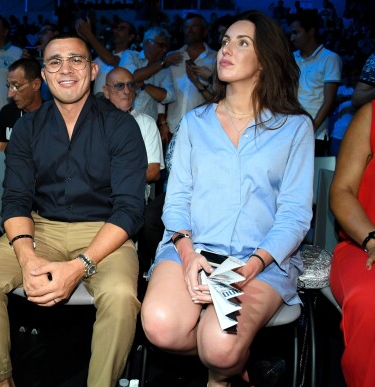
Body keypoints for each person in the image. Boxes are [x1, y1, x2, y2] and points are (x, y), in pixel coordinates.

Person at [141, 11, 314, 387]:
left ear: (265, 60)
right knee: (160, 327)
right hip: (194, 247)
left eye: (242, 43)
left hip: (260, 259)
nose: (226, 50)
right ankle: (238, 361)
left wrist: (252, 266)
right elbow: (177, 199)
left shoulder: (294, 127)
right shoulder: (195, 123)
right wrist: (187, 255)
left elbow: (296, 214)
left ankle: (223, 369)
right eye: (224, 42)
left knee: (219, 346)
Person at [0, 34, 147, 387]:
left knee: (122, 296)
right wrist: (28, 258)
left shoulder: (121, 126)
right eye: (54, 61)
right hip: (40, 228)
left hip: (105, 233)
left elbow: (129, 209)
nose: (66, 69)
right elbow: (15, 200)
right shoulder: (28, 129)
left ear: (93, 70)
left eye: (76, 60)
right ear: (44, 75)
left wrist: (80, 267)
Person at [329, 100, 375, 387]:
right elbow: (342, 191)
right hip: (363, 244)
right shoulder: (371, 115)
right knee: (371, 301)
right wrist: (372, 239)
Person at [103, 66, 163, 202]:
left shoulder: (146, 123)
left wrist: (109, 181)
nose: (127, 91)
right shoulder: (95, 121)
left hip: (131, 196)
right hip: (96, 200)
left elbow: (153, 171)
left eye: (131, 85)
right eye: (119, 86)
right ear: (106, 92)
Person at [290, 9, 342, 156]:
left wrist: (310, 128)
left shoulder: (330, 58)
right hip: (290, 129)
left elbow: (329, 101)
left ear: (311, 31)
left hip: (315, 135)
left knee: (309, 178)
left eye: (296, 32)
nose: (292, 38)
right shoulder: (292, 58)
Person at [164, 13, 217, 142]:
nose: (189, 30)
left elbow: (220, 95)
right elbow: (163, 88)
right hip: (173, 127)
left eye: (194, 26)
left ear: (204, 31)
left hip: (202, 128)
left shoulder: (216, 58)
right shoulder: (173, 57)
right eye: (187, 27)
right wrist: (162, 123)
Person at [119, 26, 176, 122]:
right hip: (125, 122)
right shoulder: (130, 55)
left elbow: (169, 96)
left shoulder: (164, 69)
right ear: (148, 42)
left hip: (148, 127)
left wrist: (144, 85)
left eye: (167, 47)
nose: (165, 50)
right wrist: (162, 63)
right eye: (161, 45)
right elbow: (131, 77)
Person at [0, 57, 43, 151]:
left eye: (16, 86)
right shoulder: (7, 112)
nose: (10, 94)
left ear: (36, 85)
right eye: (9, 86)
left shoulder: (54, 116)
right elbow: (0, 148)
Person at [76, 17, 136, 96]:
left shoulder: (131, 56)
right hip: (97, 106)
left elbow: (111, 60)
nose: (116, 31)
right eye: (116, 28)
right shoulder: (101, 58)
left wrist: (88, 34)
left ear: (130, 37)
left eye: (121, 28)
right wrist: (83, 38)